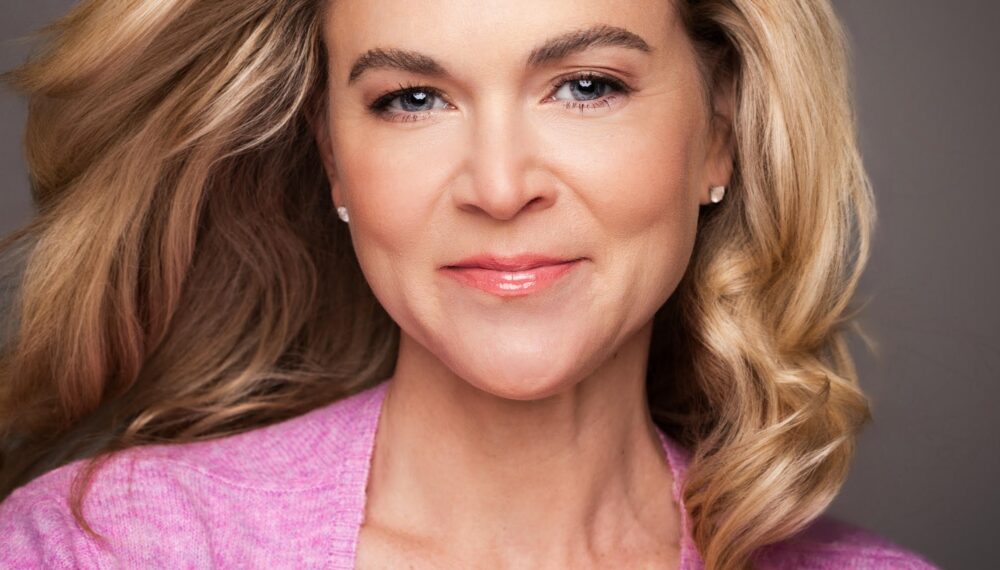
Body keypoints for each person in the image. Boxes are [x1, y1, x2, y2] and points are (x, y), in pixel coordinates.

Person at [0, 0, 939, 568]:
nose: (498, 186)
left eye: (586, 85)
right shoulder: (106, 548)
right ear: (333, 160)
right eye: (413, 99)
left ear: (719, 134)